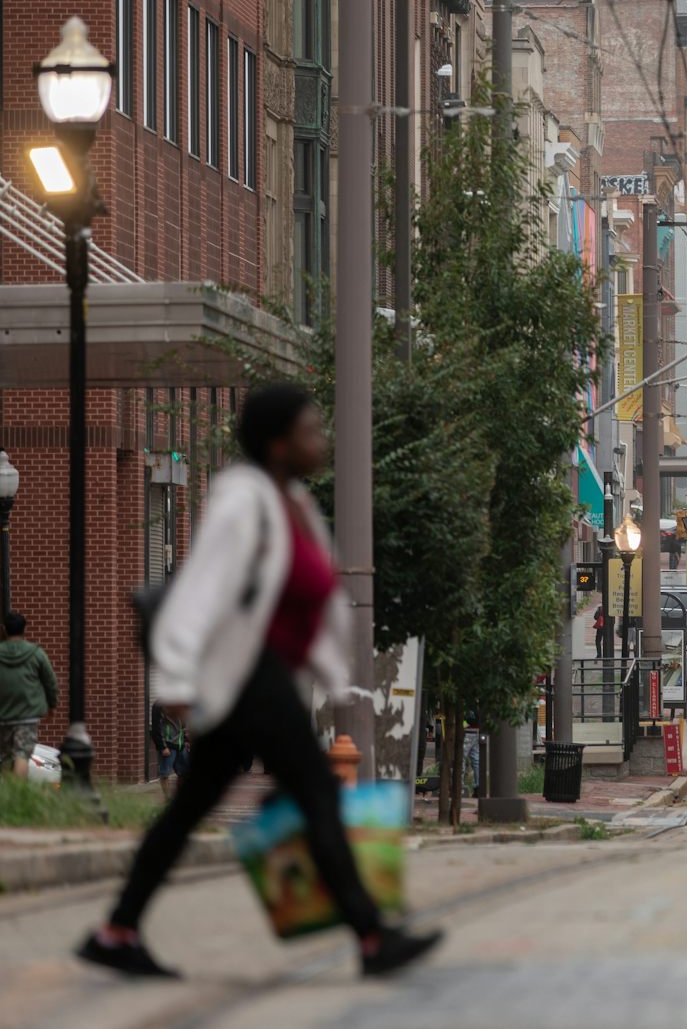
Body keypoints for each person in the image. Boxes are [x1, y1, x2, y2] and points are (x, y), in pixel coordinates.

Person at [79, 383, 440, 979]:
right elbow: (199, 592)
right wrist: (174, 678)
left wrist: (343, 680)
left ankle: (116, 930)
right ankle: (373, 937)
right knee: (317, 797)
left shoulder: (291, 501)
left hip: (265, 678)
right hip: (251, 679)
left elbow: (314, 601)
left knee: (190, 807)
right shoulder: (244, 501)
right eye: (309, 431)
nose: (320, 441)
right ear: (277, 444)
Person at [0, 612, 56, 780]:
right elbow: (50, 681)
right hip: (27, 714)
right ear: (24, 629)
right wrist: (52, 705)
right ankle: (18, 794)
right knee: (22, 754)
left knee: (4, 755)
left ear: (3, 629)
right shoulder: (36, 653)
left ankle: (6, 794)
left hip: (3, 714)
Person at [149, 699, 190, 799]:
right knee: (165, 774)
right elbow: (156, 728)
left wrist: (185, 740)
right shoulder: (159, 705)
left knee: (184, 772)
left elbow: (183, 724)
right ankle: (167, 798)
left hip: (180, 745)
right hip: (167, 745)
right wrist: (162, 747)